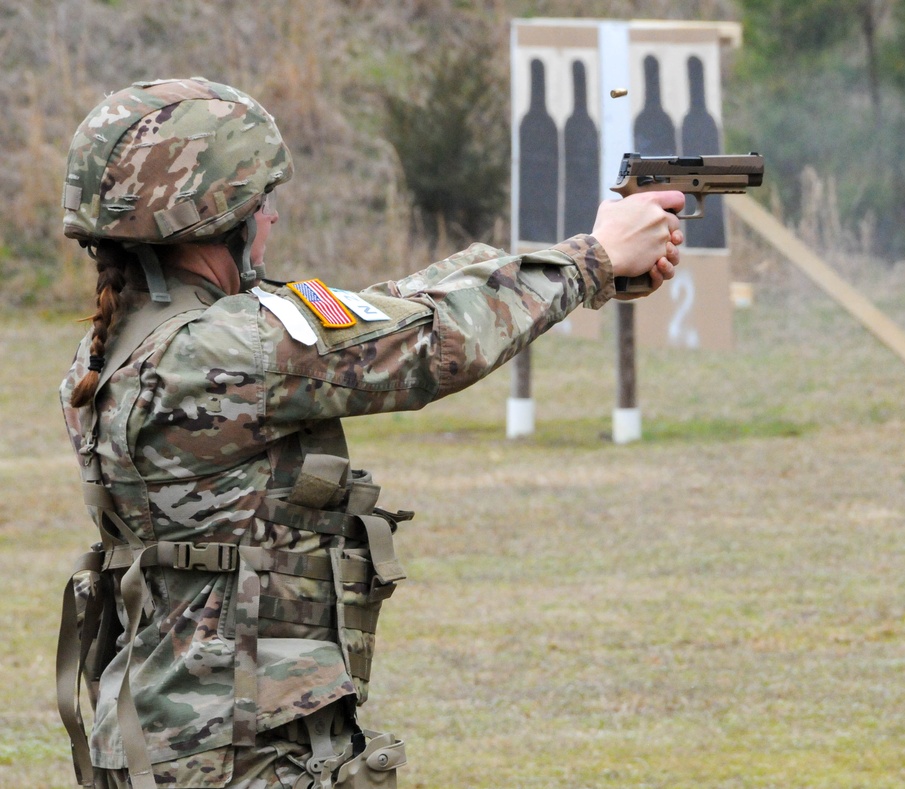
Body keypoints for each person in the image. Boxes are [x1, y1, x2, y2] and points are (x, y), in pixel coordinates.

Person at [56, 77, 684, 789]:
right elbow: (436, 341)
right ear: (217, 214)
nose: (273, 220)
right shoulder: (232, 350)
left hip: (157, 739)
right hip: (241, 751)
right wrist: (592, 260)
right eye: (262, 202)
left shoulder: (113, 351)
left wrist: (586, 253)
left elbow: (385, 314)